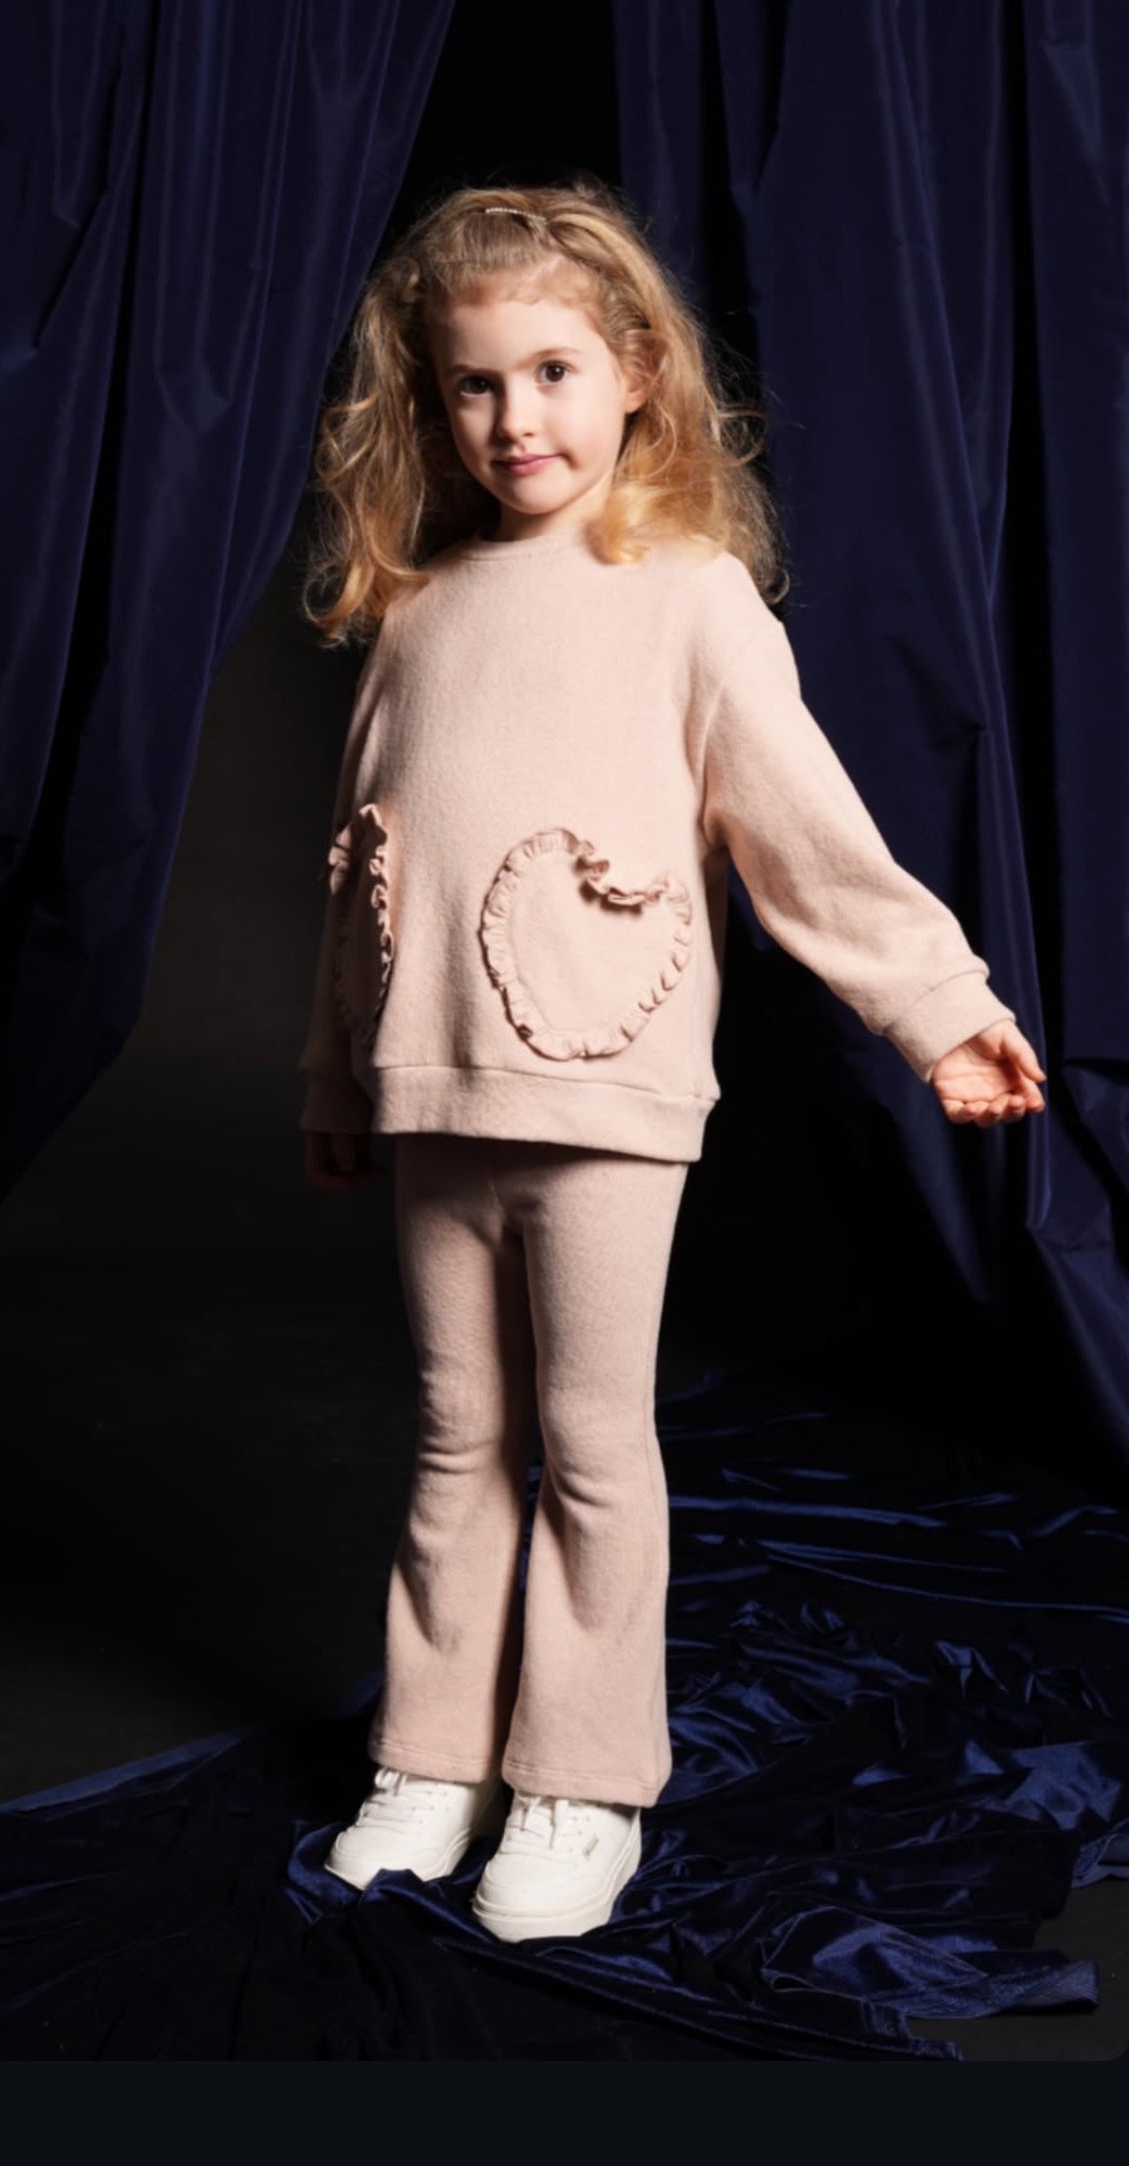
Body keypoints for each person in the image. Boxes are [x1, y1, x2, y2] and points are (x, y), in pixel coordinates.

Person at [295, 178, 1047, 1945]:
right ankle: (431, 1752)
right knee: (455, 1433)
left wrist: (936, 1005)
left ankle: (580, 1778)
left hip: (605, 1091)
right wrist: (336, 1080)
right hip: (434, 1093)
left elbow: (804, 829)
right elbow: (359, 870)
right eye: (475, 384)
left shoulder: (688, 597)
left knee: (587, 1439)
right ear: (432, 398)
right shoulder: (418, 608)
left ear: (635, 370)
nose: (516, 419)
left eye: (553, 372)